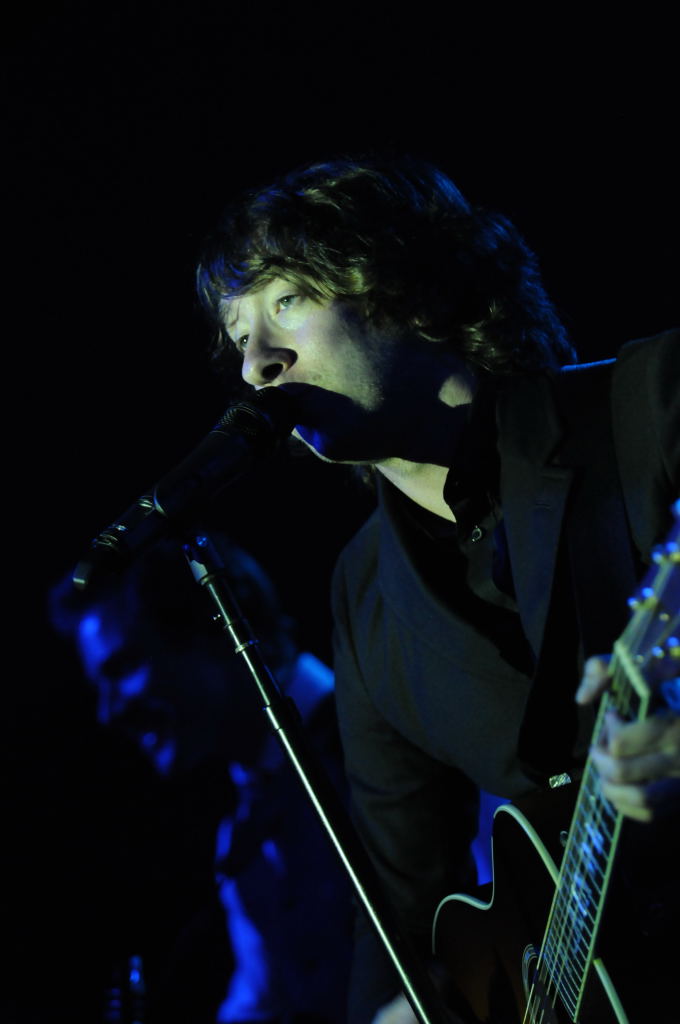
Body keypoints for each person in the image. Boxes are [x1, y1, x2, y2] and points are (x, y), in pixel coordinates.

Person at [196, 155, 680, 1023]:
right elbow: (401, 905)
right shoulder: (364, 595)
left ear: (409, 289)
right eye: (239, 338)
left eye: (288, 301)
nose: (255, 365)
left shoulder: (650, 407)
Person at [50, 534, 353, 1023]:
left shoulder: (386, 739)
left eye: (124, 666)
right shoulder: (243, 828)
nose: (108, 713)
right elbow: (262, 1001)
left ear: (215, 632)